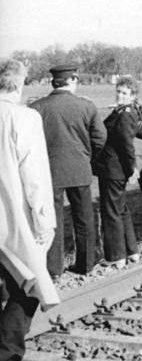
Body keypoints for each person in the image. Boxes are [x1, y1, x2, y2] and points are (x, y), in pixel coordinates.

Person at [0, 58, 59, 360]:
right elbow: (34, 176)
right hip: (13, 222)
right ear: (21, 83)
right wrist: (44, 221)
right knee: (28, 286)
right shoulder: (24, 118)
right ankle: (8, 352)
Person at [30, 64, 106, 277]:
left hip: (49, 172)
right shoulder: (87, 106)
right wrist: (86, 156)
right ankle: (86, 263)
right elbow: (100, 138)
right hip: (80, 170)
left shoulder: (37, 108)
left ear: (53, 82)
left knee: (52, 220)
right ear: (72, 80)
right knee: (84, 218)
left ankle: (53, 269)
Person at [92, 77, 142, 268]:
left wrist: (132, 169)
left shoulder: (125, 115)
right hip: (116, 169)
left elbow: (126, 146)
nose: (120, 95)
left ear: (132, 96)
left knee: (111, 211)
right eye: (118, 91)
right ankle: (131, 252)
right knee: (121, 210)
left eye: (124, 93)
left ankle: (116, 256)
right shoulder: (123, 111)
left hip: (113, 170)